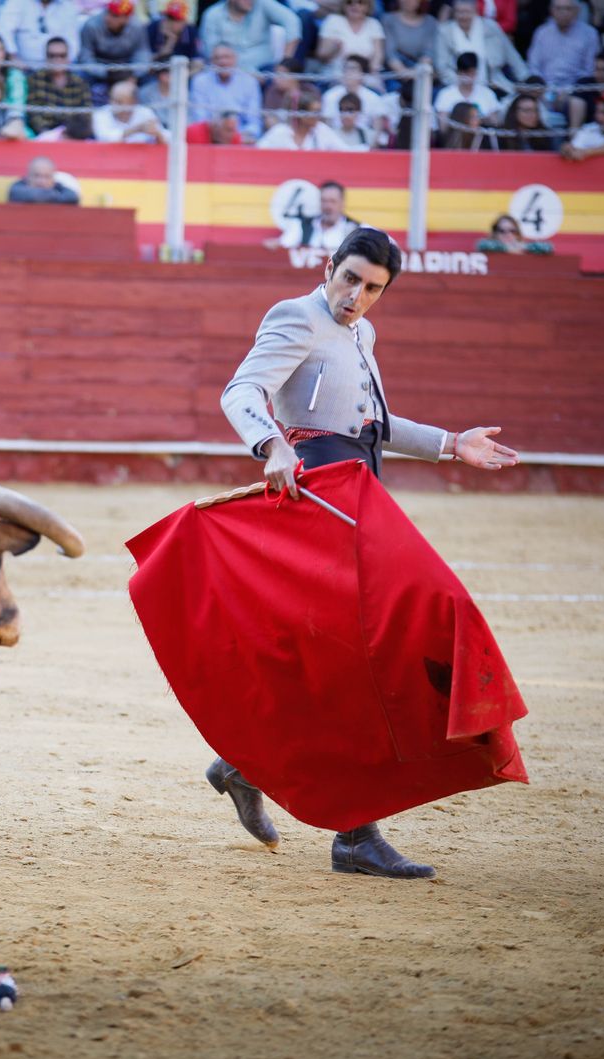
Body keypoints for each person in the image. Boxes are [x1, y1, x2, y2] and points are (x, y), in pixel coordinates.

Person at [211, 226, 520, 876]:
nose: (356, 297)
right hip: (316, 496)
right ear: (329, 267)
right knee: (362, 662)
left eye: (372, 288)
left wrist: (448, 443)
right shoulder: (296, 315)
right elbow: (240, 390)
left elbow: (372, 427)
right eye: (349, 278)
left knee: (345, 662)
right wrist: (271, 445)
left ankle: (247, 763)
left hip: (359, 492)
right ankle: (348, 831)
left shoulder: (362, 333)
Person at [435, 0, 525, 95]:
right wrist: (464, 84)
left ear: (475, 11)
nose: (463, 16)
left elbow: (511, 55)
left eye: (467, 12)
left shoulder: (490, 27)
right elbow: (442, 67)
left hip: (493, 83)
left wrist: (526, 78)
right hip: (456, 86)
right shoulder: (445, 32)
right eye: (459, 12)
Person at [197, 0, 300, 76]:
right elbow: (210, 52)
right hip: (228, 72)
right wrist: (242, 74)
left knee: (279, 80)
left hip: (264, 71)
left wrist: (286, 60)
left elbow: (292, 21)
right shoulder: (212, 15)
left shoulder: (262, 4)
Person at [190, 44, 261, 142]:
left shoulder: (249, 82)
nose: (222, 62)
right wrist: (218, 132)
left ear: (235, 59)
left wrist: (234, 135)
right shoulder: (200, 81)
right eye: (217, 58)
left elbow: (254, 122)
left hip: (241, 137)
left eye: (226, 57)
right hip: (210, 136)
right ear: (211, 61)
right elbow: (200, 118)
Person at [77, 0, 150, 95]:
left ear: (127, 18)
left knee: (148, 78)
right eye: (108, 12)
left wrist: (132, 73)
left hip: (127, 69)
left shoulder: (137, 27)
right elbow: (85, 58)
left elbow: (142, 56)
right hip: (99, 67)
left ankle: (140, 108)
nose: (108, 18)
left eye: (115, 15)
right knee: (80, 74)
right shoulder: (91, 25)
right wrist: (106, 73)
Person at [25, 34, 92, 138]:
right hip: (44, 135)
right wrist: (47, 134)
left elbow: (85, 114)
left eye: (62, 55)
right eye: (52, 55)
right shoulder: (35, 80)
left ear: (68, 58)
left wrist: (69, 134)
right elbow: (33, 114)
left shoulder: (79, 83)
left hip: (74, 136)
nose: (57, 59)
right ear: (46, 57)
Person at [527, 0, 597, 94]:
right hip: (544, 89)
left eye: (568, 9)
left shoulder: (590, 34)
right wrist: (543, 87)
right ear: (551, 10)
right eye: (558, 8)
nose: (563, 12)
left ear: (577, 11)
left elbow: (590, 69)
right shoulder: (542, 32)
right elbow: (533, 66)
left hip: (577, 90)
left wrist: (570, 90)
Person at [0, 0, 82, 67]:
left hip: (59, 68)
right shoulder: (18, 2)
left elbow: (73, 43)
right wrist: (13, 57)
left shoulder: (68, 6)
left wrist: (63, 64)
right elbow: (2, 30)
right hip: (25, 68)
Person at [256, 86, 348, 150]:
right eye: (314, 112)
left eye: (318, 112)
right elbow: (259, 153)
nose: (317, 116)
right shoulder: (280, 132)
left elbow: (345, 152)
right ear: (301, 114)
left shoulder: (322, 130)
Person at [317, 0, 385, 77]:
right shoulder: (333, 20)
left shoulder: (374, 24)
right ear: (343, 5)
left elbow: (378, 55)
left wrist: (373, 72)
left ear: (368, 6)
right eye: (349, 2)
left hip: (366, 76)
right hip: (336, 76)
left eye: (360, 2)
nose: (354, 5)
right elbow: (322, 54)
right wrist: (335, 48)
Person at [433, 52, 501, 127]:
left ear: (476, 72)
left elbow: (495, 123)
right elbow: (443, 127)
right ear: (458, 72)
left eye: (471, 72)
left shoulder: (487, 94)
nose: (468, 76)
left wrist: (481, 120)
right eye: (465, 72)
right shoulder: (445, 94)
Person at [92, 78, 167, 144]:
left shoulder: (145, 112)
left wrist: (158, 134)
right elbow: (104, 138)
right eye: (112, 100)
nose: (114, 104)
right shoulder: (101, 113)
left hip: (141, 157)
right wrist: (136, 129)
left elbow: (167, 138)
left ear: (133, 102)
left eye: (119, 102)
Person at [382, 0, 438, 81]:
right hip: (394, 74)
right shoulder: (388, 20)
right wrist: (404, 72)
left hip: (423, 72)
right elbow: (390, 53)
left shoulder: (430, 22)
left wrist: (416, 72)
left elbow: (429, 52)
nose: (408, 1)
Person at [7, 155, 79, 204]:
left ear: (53, 178)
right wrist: (54, 195)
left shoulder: (57, 186)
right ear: (28, 176)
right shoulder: (17, 188)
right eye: (36, 176)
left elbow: (72, 197)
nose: (41, 181)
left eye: (46, 177)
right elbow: (33, 196)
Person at [148, 1, 198, 66]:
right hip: (156, 72)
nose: (170, 23)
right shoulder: (153, 27)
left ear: (184, 21)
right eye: (169, 18)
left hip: (184, 71)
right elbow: (145, 61)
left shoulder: (191, 31)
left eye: (175, 19)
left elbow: (197, 59)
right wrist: (168, 45)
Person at [476, 213, 552, 254]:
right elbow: (482, 245)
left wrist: (522, 247)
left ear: (517, 233)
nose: (508, 234)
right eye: (502, 231)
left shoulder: (524, 247)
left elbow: (548, 247)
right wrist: (508, 248)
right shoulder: (489, 246)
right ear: (496, 233)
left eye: (512, 231)